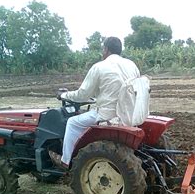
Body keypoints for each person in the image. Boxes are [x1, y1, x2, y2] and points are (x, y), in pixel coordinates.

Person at [50, 36, 141, 168]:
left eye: (103, 49)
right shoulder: (132, 65)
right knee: (85, 115)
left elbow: (82, 94)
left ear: (106, 49)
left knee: (72, 122)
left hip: (107, 115)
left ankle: (65, 160)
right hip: (128, 115)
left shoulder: (99, 67)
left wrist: (63, 95)